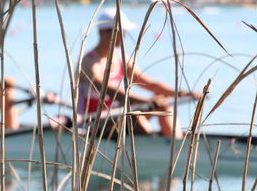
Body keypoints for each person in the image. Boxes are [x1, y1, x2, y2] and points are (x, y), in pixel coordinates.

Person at [77, 8, 200, 139]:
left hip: (117, 116)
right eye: (120, 32)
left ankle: (175, 147)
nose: (124, 36)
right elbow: (109, 91)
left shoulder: (122, 58)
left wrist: (182, 93)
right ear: (103, 32)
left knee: (165, 109)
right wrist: (147, 101)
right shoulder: (89, 62)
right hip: (93, 122)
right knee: (135, 115)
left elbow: (149, 84)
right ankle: (152, 146)